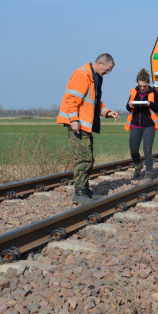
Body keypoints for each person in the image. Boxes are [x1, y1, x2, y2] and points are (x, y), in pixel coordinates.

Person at [57, 53, 119, 205]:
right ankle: (79, 192)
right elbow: (71, 99)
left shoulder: (95, 77)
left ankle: (84, 191)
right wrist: (73, 119)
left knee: (87, 158)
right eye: (107, 69)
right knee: (84, 158)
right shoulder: (82, 74)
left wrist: (107, 112)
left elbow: (95, 102)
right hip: (77, 124)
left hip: (84, 125)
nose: (107, 73)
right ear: (99, 63)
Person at [125, 68, 158, 180]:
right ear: (137, 83)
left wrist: (150, 104)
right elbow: (127, 107)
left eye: (144, 86)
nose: (142, 88)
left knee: (147, 150)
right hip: (135, 125)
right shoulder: (133, 92)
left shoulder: (153, 92)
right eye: (140, 86)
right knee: (133, 150)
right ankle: (137, 165)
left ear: (148, 84)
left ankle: (149, 173)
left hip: (149, 126)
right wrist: (129, 105)